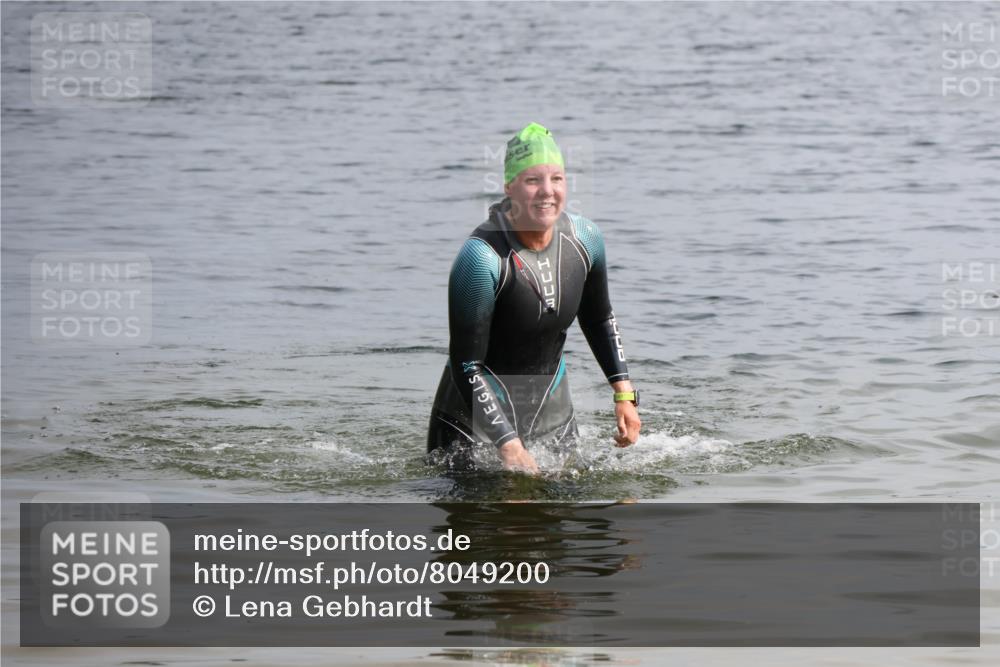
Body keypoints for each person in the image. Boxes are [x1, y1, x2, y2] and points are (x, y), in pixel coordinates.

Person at [427, 123, 640, 473]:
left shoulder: (585, 240)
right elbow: (468, 366)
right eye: (532, 181)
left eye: (556, 178)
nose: (547, 192)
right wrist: (508, 444)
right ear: (509, 187)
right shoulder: (481, 260)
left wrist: (624, 395)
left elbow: (599, 318)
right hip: (469, 430)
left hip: (552, 417)